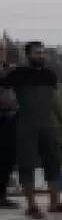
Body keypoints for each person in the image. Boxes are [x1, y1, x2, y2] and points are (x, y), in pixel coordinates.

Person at [0, 42, 62, 219]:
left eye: (42, 53)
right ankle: (32, 206)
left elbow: (54, 99)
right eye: (36, 53)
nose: (40, 56)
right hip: (26, 124)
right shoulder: (17, 74)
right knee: (27, 164)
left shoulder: (50, 74)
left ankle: (55, 203)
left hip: (48, 124)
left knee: (53, 162)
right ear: (27, 55)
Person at [0, 46, 20, 209]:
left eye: (2, 50)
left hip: (10, 117)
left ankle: (2, 196)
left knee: (7, 158)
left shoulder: (11, 71)